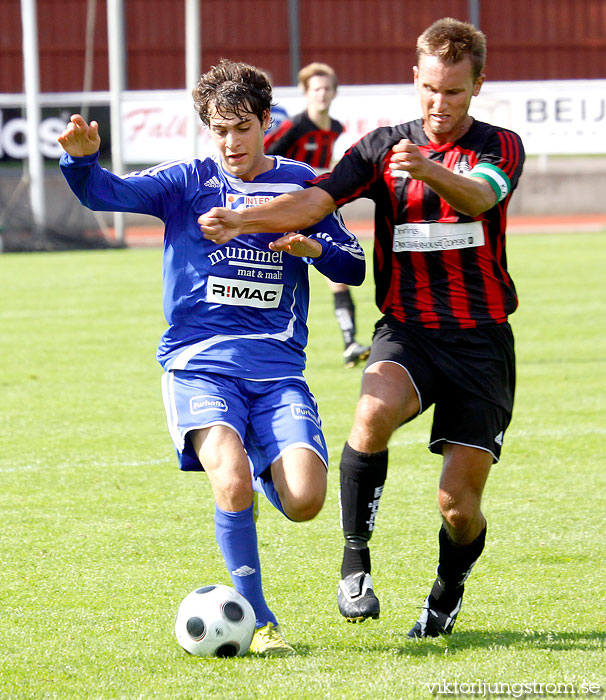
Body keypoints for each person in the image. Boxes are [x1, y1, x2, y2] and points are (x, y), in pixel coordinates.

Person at [198, 18, 525, 638]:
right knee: (371, 411)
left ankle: (447, 589)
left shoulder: (498, 145)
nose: (439, 102)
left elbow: (481, 198)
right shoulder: (381, 146)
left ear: (478, 86)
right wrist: (247, 220)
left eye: (453, 91)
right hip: (409, 329)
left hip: (481, 339)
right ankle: (355, 566)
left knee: (458, 505)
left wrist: (428, 172)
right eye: (429, 88)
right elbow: (318, 200)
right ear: (415, 79)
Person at [57, 58, 365, 655]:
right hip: (198, 362)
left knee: (304, 502)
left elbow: (353, 264)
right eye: (219, 129)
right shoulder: (188, 180)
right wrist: (81, 160)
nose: (231, 142)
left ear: (267, 123)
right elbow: (106, 193)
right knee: (229, 479)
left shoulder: (303, 185)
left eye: (242, 128)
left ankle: (254, 469)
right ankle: (259, 616)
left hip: (277, 370)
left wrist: (312, 247)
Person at [265, 62, 370, 368]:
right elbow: (267, 156)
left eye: (326, 88)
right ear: (306, 93)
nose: (321, 94)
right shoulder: (295, 127)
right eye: (316, 89)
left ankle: (350, 342)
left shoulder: (334, 127)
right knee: (277, 277)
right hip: (287, 210)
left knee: (338, 273)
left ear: (335, 92)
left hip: (318, 211)